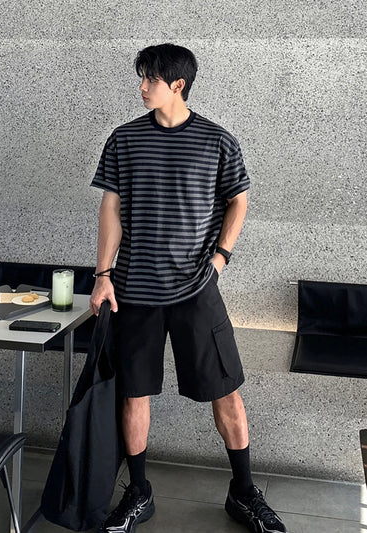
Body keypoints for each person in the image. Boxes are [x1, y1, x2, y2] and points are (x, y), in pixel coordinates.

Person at [89, 43, 287, 533]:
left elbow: (239, 200)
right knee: (133, 393)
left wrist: (220, 258)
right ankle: (138, 491)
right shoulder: (124, 140)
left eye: (150, 79)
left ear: (177, 85)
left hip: (197, 288)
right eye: (141, 78)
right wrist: (102, 275)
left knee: (227, 391)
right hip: (134, 289)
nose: (141, 87)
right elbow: (111, 208)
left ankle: (243, 492)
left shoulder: (218, 141)